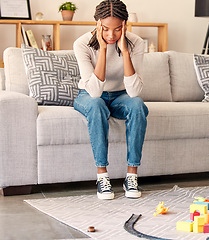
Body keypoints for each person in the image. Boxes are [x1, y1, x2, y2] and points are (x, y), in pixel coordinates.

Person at [73, 0, 148, 200]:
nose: (111, 35)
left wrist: (124, 52)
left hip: (120, 96)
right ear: (97, 23)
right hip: (88, 95)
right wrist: (104, 50)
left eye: (117, 29)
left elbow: (134, 92)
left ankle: (131, 176)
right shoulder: (81, 44)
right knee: (97, 104)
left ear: (125, 24)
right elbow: (95, 92)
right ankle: (102, 176)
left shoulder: (136, 43)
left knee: (138, 105)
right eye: (105, 29)